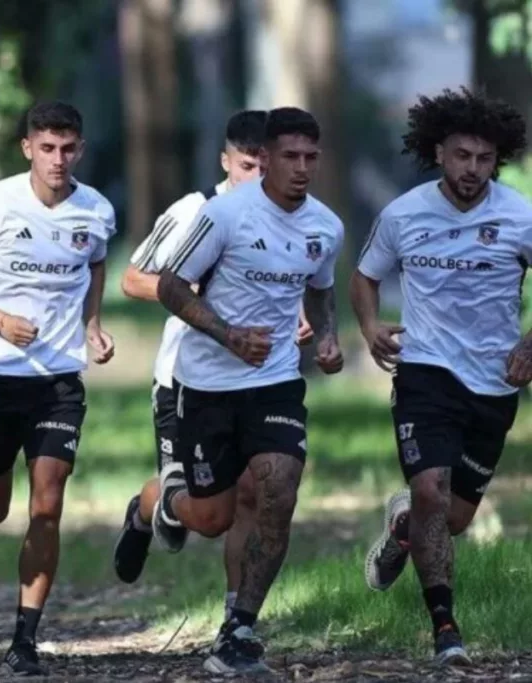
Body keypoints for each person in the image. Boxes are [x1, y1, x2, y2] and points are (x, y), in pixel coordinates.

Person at [154, 107, 344, 675]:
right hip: (207, 383)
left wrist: (328, 336)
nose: (303, 168)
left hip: (275, 381)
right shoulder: (226, 214)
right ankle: (163, 501)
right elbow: (169, 284)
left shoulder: (325, 226)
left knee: (276, 492)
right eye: (290, 156)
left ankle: (239, 627)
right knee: (212, 517)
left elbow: (320, 290)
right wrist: (228, 333)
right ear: (265, 158)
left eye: (312, 157)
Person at [351, 87, 531, 666]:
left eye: (483, 158)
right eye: (461, 156)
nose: (472, 169)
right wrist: (372, 326)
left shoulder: (520, 216)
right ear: (438, 153)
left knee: (449, 518)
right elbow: (365, 277)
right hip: (426, 370)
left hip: (495, 379)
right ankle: (446, 629)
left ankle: (404, 522)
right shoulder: (403, 214)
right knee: (433, 488)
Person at [0, 101, 116, 676]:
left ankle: (24, 639)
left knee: (48, 505)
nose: (57, 160)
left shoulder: (97, 210)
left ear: (80, 150)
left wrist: (91, 324)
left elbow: (95, 264)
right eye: (47, 148)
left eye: (67, 149)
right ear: (27, 149)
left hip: (58, 380)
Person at [112, 111, 269, 614]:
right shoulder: (194, 211)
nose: (258, 179)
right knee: (209, 517)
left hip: (257, 380)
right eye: (248, 166)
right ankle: (147, 507)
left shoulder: (289, 215)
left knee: (252, 496)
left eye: (267, 166)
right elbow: (133, 278)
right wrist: (190, 292)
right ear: (226, 162)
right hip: (186, 381)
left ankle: (236, 620)